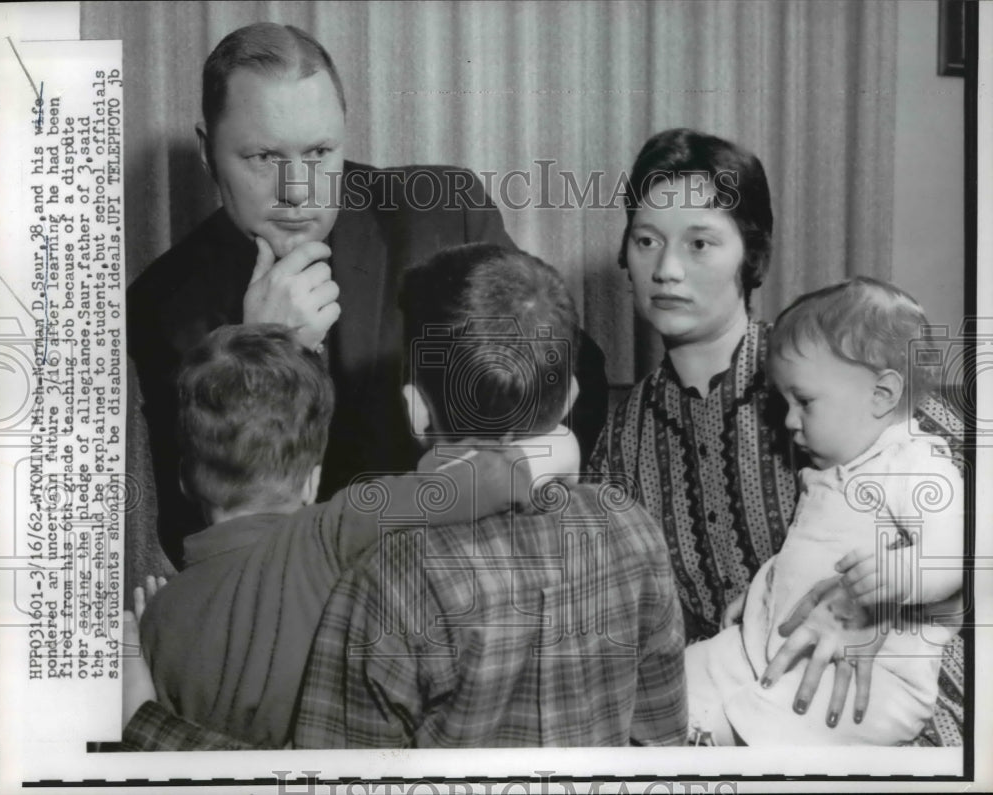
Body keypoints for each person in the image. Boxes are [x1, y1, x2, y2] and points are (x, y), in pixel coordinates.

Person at [123, 244, 687, 749]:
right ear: (569, 398)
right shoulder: (636, 531)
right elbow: (661, 745)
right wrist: (555, 454)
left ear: (416, 410)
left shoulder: (388, 584)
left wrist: (143, 722)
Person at [127, 22, 608, 570]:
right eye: (262, 157)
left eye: (319, 152)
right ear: (208, 152)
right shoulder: (163, 303)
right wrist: (266, 353)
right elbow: (196, 530)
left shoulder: (444, 216)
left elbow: (576, 376)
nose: (298, 191)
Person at [589, 128, 966, 745]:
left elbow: (965, 529)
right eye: (646, 240)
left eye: (701, 242)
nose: (666, 269)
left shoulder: (836, 368)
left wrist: (884, 614)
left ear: (751, 254)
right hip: (735, 697)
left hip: (885, 705)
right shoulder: (622, 437)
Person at [137, 322, 580, 747]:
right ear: (312, 479)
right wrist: (563, 447)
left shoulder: (156, 619)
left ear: (184, 479)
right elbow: (482, 483)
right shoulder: (332, 530)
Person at [684, 278, 963, 745]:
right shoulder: (827, 472)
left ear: (881, 395)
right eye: (783, 403)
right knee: (691, 670)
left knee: (780, 715)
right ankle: (681, 732)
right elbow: (817, 552)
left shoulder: (912, 461)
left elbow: (958, 551)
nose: (789, 420)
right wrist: (764, 592)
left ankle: (713, 745)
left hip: (872, 677)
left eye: (804, 402)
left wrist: (899, 574)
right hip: (774, 645)